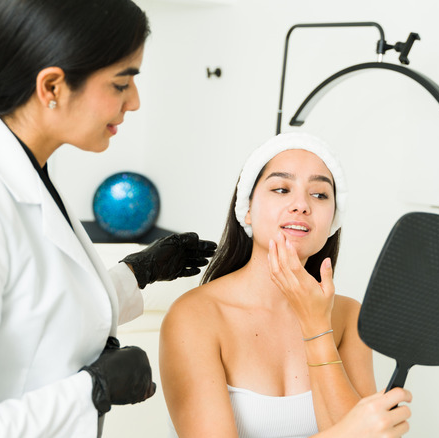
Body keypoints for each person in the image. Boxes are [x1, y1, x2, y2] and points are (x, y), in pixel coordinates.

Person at [0, 1, 215, 437]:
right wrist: (93, 391)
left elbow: (38, 314)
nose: (135, 102)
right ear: (52, 86)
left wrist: (137, 273)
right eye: (122, 83)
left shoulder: (31, 174)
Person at [159, 132, 412, 438]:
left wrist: (316, 326)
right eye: (281, 189)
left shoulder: (348, 317)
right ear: (247, 209)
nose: (301, 205)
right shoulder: (194, 317)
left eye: (320, 195)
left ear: (332, 220)